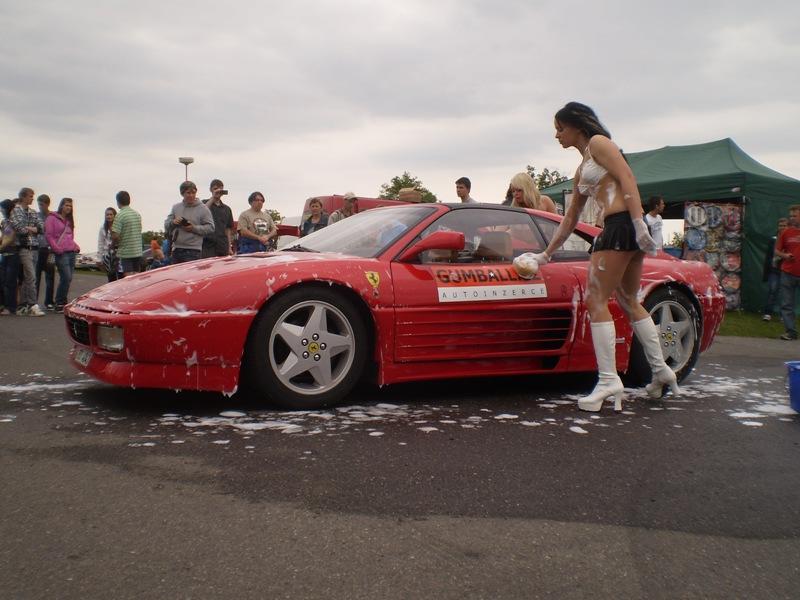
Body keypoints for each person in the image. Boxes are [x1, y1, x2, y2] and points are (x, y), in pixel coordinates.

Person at [518, 102, 669, 412]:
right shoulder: (581, 167)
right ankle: (660, 369)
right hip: (623, 227)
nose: (557, 134)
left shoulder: (600, 144)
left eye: (560, 128)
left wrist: (640, 221)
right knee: (628, 300)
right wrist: (546, 254)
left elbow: (627, 176)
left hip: (619, 226)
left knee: (596, 300)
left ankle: (608, 380)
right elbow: (571, 216)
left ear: (578, 126)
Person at [10, 187, 45, 316]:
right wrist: (33, 228)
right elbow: (19, 228)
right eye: (30, 196)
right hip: (24, 248)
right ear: (23, 197)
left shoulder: (33, 211)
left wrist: (32, 228)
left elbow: (42, 227)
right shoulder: (15, 210)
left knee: (27, 278)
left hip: (35, 248)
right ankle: (32, 304)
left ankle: (23, 305)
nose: (32, 198)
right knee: (31, 276)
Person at [165, 181, 215, 264]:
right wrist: (173, 222)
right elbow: (166, 225)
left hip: (194, 251)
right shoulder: (176, 207)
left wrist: (193, 228)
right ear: (182, 193)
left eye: (193, 192)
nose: (191, 195)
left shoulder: (203, 208)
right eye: (188, 193)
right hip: (176, 249)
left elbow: (211, 227)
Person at [45, 198, 80, 313]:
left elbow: (69, 237)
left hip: (71, 252)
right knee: (66, 277)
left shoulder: (69, 221)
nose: (68, 208)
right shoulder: (52, 218)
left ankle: (63, 301)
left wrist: (75, 246)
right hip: (61, 253)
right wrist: (57, 249)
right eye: (66, 205)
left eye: (70, 206)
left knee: (68, 278)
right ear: (61, 206)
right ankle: (59, 302)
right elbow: (49, 236)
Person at [776, 205, 800, 340]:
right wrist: (785, 256)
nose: (791, 218)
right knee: (786, 303)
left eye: (794, 216)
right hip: (788, 272)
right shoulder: (786, 232)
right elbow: (777, 251)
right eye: (790, 216)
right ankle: (791, 331)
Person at [111, 191, 143, 277]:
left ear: (118, 202)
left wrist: (112, 245)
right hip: (137, 250)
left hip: (126, 252)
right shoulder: (137, 214)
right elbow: (139, 230)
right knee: (136, 276)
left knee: (128, 277)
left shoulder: (120, 215)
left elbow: (115, 235)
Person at [763, 218, 788, 321]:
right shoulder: (773, 239)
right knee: (772, 291)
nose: (782, 227)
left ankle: (784, 316)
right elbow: (769, 255)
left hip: (786, 270)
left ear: (788, 227)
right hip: (774, 270)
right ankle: (768, 314)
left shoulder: (790, 239)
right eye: (780, 225)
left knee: (785, 294)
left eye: (784, 226)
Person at [202, 179, 234, 258]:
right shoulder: (204, 203)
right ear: (210, 189)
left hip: (222, 244)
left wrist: (229, 247)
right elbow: (202, 212)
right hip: (207, 244)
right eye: (215, 189)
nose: (218, 191)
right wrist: (213, 197)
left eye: (220, 189)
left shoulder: (227, 209)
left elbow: (228, 229)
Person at [35, 194, 55, 310]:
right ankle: (34, 301)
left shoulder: (52, 217)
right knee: (36, 276)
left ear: (47, 204)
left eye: (41, 204)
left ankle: (49, 302)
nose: (40, 207)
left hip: (50, 250)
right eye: (38, 204)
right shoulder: (36, 216)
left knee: (50, 276)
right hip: (38, 249)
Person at [1, 198, 20, 315]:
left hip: (12, 254)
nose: (0, 210)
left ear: (6, 209)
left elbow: (9, 238)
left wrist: (1, 247)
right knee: (3, 281)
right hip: (4, 255)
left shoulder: (12, 222)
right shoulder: (5, 222)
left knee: (10, 282)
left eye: (2, 208)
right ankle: (5, 305)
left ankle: (11, 307)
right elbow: (3, 237)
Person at [98, 207, 120, 282]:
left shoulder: (118, 227)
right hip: (107, 256)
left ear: (114, 216)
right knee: (111, 278)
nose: (109, 216)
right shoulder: (103, 228)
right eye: (107, 215)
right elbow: (100, 243)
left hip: (118, 254)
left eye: (111, 214)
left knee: (120, 277)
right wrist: (99, 258)